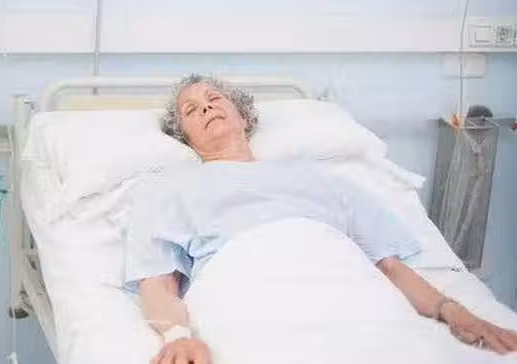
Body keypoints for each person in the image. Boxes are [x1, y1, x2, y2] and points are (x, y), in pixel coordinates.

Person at [124, 74, 517, 364]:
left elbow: (389, 267)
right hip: (248, 291)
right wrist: (177, 335)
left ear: (243, 116)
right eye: (191, 110)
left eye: (213, 98)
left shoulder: (321, 178)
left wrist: (451, 310)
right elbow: (157, 283)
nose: (207, 107)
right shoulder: (171, 189)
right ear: (185, 136)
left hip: (346, 285)